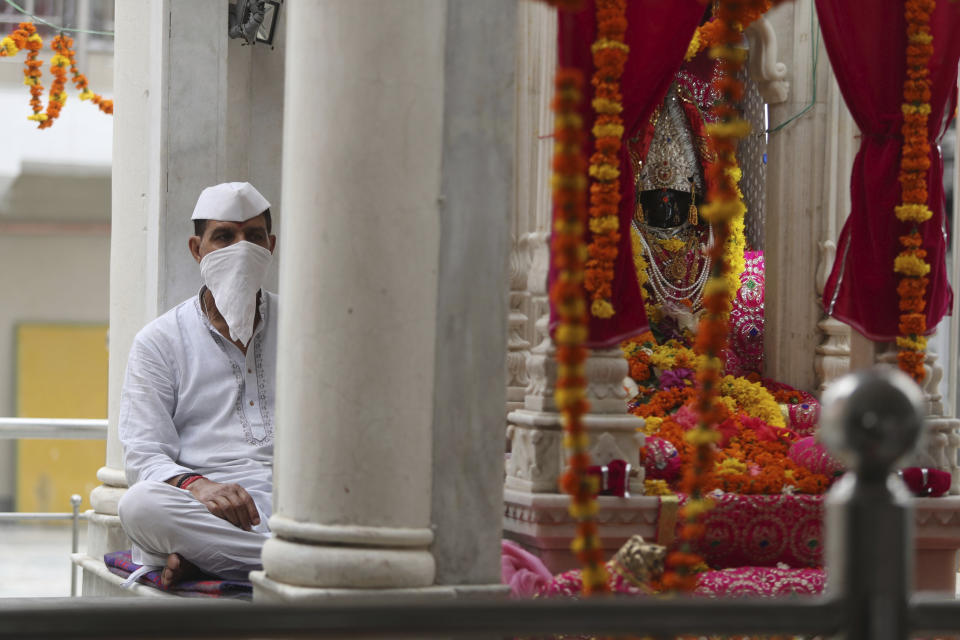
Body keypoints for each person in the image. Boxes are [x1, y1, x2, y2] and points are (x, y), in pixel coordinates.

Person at [117, 181, 277, 588]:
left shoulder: (306, 326)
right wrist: (198, 485)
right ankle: (294, 563)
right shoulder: (159, 340)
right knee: (140, 505)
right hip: (206, 509)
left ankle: (209, 559)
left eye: (253, 237)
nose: (240, 248)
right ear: (197, 249)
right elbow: (143, 453)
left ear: (270, 246)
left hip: (295, 501)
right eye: (224, 236)